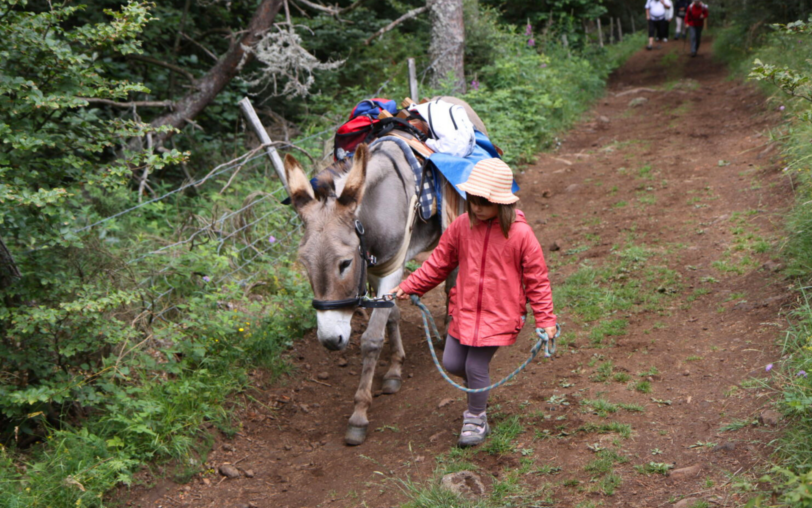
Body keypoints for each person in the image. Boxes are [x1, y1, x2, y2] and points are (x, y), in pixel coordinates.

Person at [392, 159, 557, 447]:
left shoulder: (520, 235)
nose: (477, 208)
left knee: (476, 367)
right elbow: (438, 263)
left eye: (484, 202)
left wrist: (546, 320)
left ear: (501, 203)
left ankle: (476, 417)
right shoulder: (461, 227)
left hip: (499, 315)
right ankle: (477, 392)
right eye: (473, 201)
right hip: (465, 310)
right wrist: (410, 285)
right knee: (453, 362)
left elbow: (537, 280)